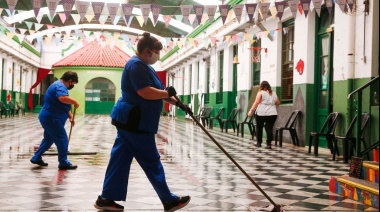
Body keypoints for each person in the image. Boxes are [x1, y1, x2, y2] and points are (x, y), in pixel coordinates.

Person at [94, 32, 191, 212]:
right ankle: (168, 200)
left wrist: (179, 104)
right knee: (151, 160)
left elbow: (159, 91)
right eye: (156, 52)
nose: (157, 56)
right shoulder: (136, 65)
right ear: (147, 51)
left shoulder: (145, 66)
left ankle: (106, 198)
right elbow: (145, 92)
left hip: (130, 121)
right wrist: (166, 94)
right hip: (135, 121)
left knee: (120, 159)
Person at [30, 71, 80, 170]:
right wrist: (75, 101)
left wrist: (70, 116)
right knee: (62, 139)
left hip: (49, 118)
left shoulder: (59, 85)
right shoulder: (60, 86)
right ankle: (63, 162)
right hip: (52, 119)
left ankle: (36, 157)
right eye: (73, 84)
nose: (72, 86)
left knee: (48, 139)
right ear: (70, 81)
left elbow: (63, 104)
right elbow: (62, 98)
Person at [247, 81, 280, 149]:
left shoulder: (261, 93)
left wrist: (251, 110)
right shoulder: (273, 93)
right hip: (272, 113)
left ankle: (259, 143)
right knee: (269, 128)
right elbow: (278, 103)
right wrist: (271, 103)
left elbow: (256, 102)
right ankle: (268, 144)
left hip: (261, 113)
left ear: (261, 86)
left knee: (259, 128)